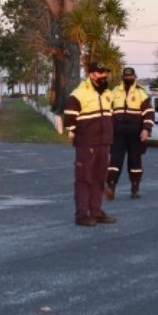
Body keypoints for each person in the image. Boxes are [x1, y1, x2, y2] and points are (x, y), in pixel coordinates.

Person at [63, 62, 117, 227]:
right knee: (84, 178)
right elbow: (69, 119)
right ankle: (82, 215)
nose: (104, 76)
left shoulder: (108, 94)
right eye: (101, 73)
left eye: (105, 73)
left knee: (99, 179)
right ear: (91, 74)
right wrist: (80, 135)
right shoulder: (78, 94)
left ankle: (96, 211)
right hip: (87, 144)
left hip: (104, 143)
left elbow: (110, 115)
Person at [105, 67, 154, 200]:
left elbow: (149, 113)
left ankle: (135, 188)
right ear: (123, 77)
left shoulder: (140, 93)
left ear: (134, 77)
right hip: (118, 133)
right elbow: (107, 112)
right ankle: (111, 187)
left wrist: (146, 129)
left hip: (135, 134)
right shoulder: (114, 91)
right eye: (126, 76)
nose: (128, 78)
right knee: (115, 161)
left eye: (130, 76)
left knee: (135, 161)